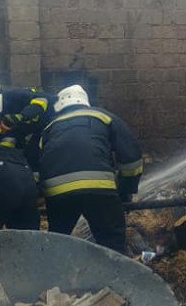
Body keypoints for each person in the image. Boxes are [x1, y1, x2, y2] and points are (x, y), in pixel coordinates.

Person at [38, 85, 144, 254]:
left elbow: (39, 163)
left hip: (57, 195)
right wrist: (126, 191)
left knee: (57, 245)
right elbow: (131, 158)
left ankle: (55, 279)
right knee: (112, 247)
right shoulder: (105, 117)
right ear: (85, 100)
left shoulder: (49, 128)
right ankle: (114, 279)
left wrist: (43, 194)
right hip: (99, 190)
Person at [0, 79, 55, 173]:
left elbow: (42, 101)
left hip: (54, 118)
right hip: (40, 128)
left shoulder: (12, 95)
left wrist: (21, 116)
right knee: (31, 155)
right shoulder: (2, 113)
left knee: (35, 153)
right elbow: (3, 132)